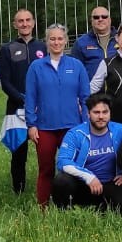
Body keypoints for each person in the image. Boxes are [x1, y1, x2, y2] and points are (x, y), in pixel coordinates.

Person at [24, 24, 90, 207]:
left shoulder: (76, 65)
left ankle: (74, 203)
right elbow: (30, 98)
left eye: (60, 38)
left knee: (74, 168)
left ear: (66, 41)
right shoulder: (36, 67)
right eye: (52, 38)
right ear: (46, 41)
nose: (56, 42)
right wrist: (31, 125)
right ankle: (43, 207)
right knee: (46, 169)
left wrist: (85, 124)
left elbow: (85, 98)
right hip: (45, 128)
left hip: (72, 127)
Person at [51, 95, 122, 212]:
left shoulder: (120, 130)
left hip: (111, 183)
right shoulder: (75, 133)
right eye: (96, 112)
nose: (101, 116)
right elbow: (63, 162)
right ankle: (64, 213)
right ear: (88, 114)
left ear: (110, 113)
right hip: (84, 184)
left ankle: (99, 209)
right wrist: (89, 177)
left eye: (105, 112)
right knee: (61, 181)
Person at [0, 8, 47, 195]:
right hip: (17, 108)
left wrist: (39, 100)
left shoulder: (43, 47)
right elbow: (6, 82)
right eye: (20, 21)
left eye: (28, 20)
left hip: (41, 109)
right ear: (15, 24)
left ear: (33, 23)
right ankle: (18, 190)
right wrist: (23, 98)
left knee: (45, 151)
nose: (25, 24)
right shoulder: (7, 49)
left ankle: (45, 188)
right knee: (18, 154)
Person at [71, 6, 114, 80]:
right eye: (96, 17)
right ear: (92, 21)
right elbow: (75, 71)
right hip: (92, 90)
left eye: (104, 17)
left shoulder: (121, 40)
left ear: (109, 20)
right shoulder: (80, 43)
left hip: (119, 90)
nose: (100, 19)